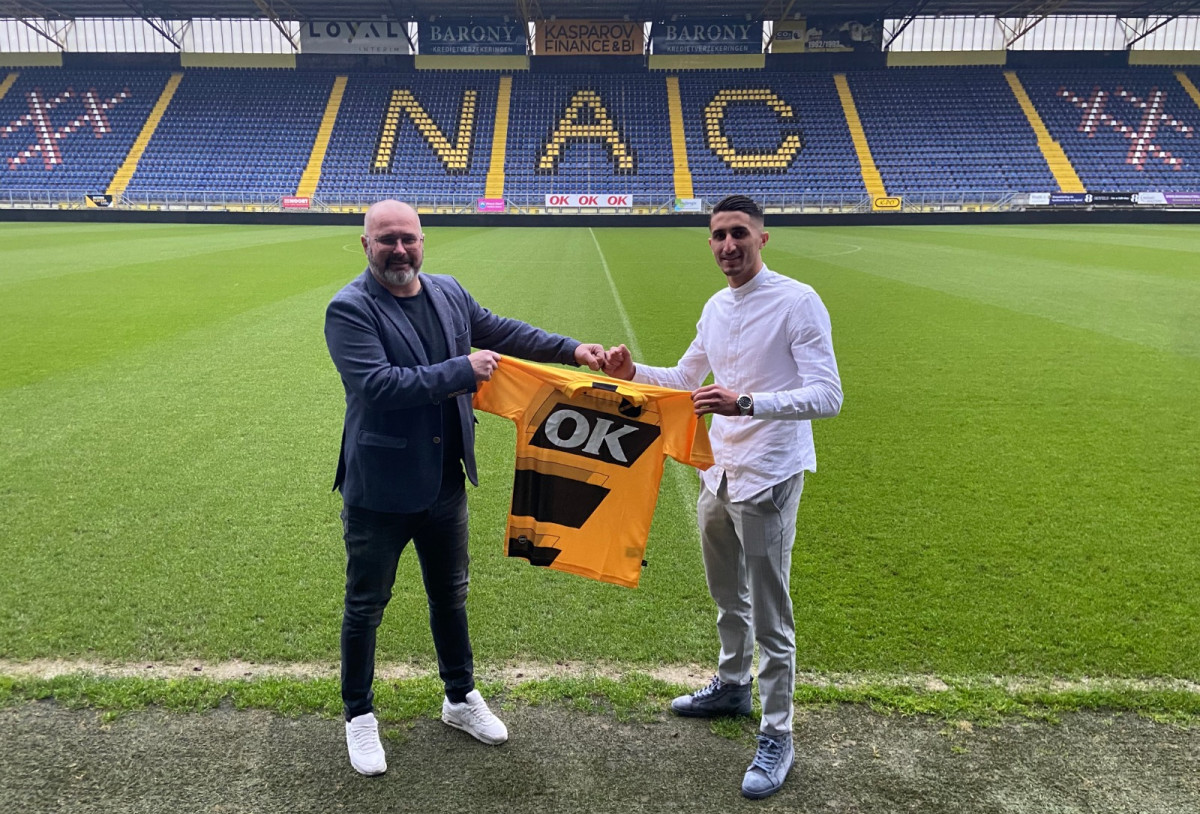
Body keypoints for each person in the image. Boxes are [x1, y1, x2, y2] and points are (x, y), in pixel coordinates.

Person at [324, 200, 608, 776]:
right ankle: (359, 715)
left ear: (422, 241)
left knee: (450, 595)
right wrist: (463, 371)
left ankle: (459, 697)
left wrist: (572, 350)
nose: (399, 250)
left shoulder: (448, 291)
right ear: (366, 245)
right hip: (380, 490)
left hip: (446, 482)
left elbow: (502, 331)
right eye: (387, 240)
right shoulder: (350, 308)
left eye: (408, 238)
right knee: (366, 606)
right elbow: (378, 386)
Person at [602, 194, 842, 799]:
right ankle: (733, 686)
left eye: (738, 233)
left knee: (771, 614)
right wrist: (632, 374)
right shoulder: (716, 306)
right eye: (718, 235)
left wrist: (747, 403)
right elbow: (685, 380)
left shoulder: (797, 301)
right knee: (727, 596)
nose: (728, 245)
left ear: (762, 237)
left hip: (768, 476)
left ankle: (778, 732)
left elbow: (828, 395)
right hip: (719, 472)